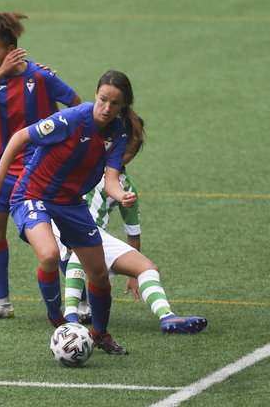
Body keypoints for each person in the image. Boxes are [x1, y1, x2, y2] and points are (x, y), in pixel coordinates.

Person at [0, 70, 145, 355]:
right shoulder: (73, 118)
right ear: (96, 93)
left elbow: (111, 180)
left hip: (71, 202)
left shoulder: (117, 134)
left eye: (114, 103)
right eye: (103, 99)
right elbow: (20, 137)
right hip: (33, 195)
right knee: (49, 255)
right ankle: (58, 321)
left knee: (99, 275)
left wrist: (123, 196)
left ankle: (101, 334)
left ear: (124, 105)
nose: (106, 108)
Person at [0, 11, 81, 320]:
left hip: (36, 170)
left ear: (11, 49)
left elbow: (78, 107)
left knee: (54, 238)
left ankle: (76, 303)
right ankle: (2, 303)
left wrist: (60, 143)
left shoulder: (41, 77)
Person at [61, 124, 208, 335]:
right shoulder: (86, 159)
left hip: (94, 234)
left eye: (129, 151)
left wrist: (132, 276)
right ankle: (70, 319)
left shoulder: (127, 187)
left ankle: (167, 317)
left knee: (148, 268)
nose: (122, 154)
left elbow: (133, 232)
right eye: (120, 147)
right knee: (81, 245)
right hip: (62, 222)